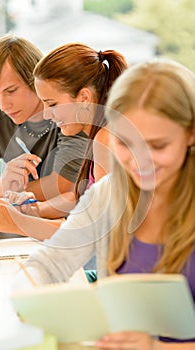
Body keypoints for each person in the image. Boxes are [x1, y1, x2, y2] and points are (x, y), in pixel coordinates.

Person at [12, 58, 195, 348]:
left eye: (158, 146)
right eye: (126, 143)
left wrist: (158, 348)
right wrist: (29, 299)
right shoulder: (107, 196)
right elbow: (48, 264)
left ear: (190, 134)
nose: (140, 161)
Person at [0, 42, 127, 239]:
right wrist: (36, 209)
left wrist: (16, 223)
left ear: (83, 97)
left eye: (52, 104)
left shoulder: (107, 141)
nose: (47, 114)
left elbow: (91, 232)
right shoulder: (100, 134)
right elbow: (80, 198)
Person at [0, 34, 88, 240]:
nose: (4, 105)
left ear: (36, 81)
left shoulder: (68, 117)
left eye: (11, 91)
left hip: (64, 229)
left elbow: (63, 186)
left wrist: (5, 193)